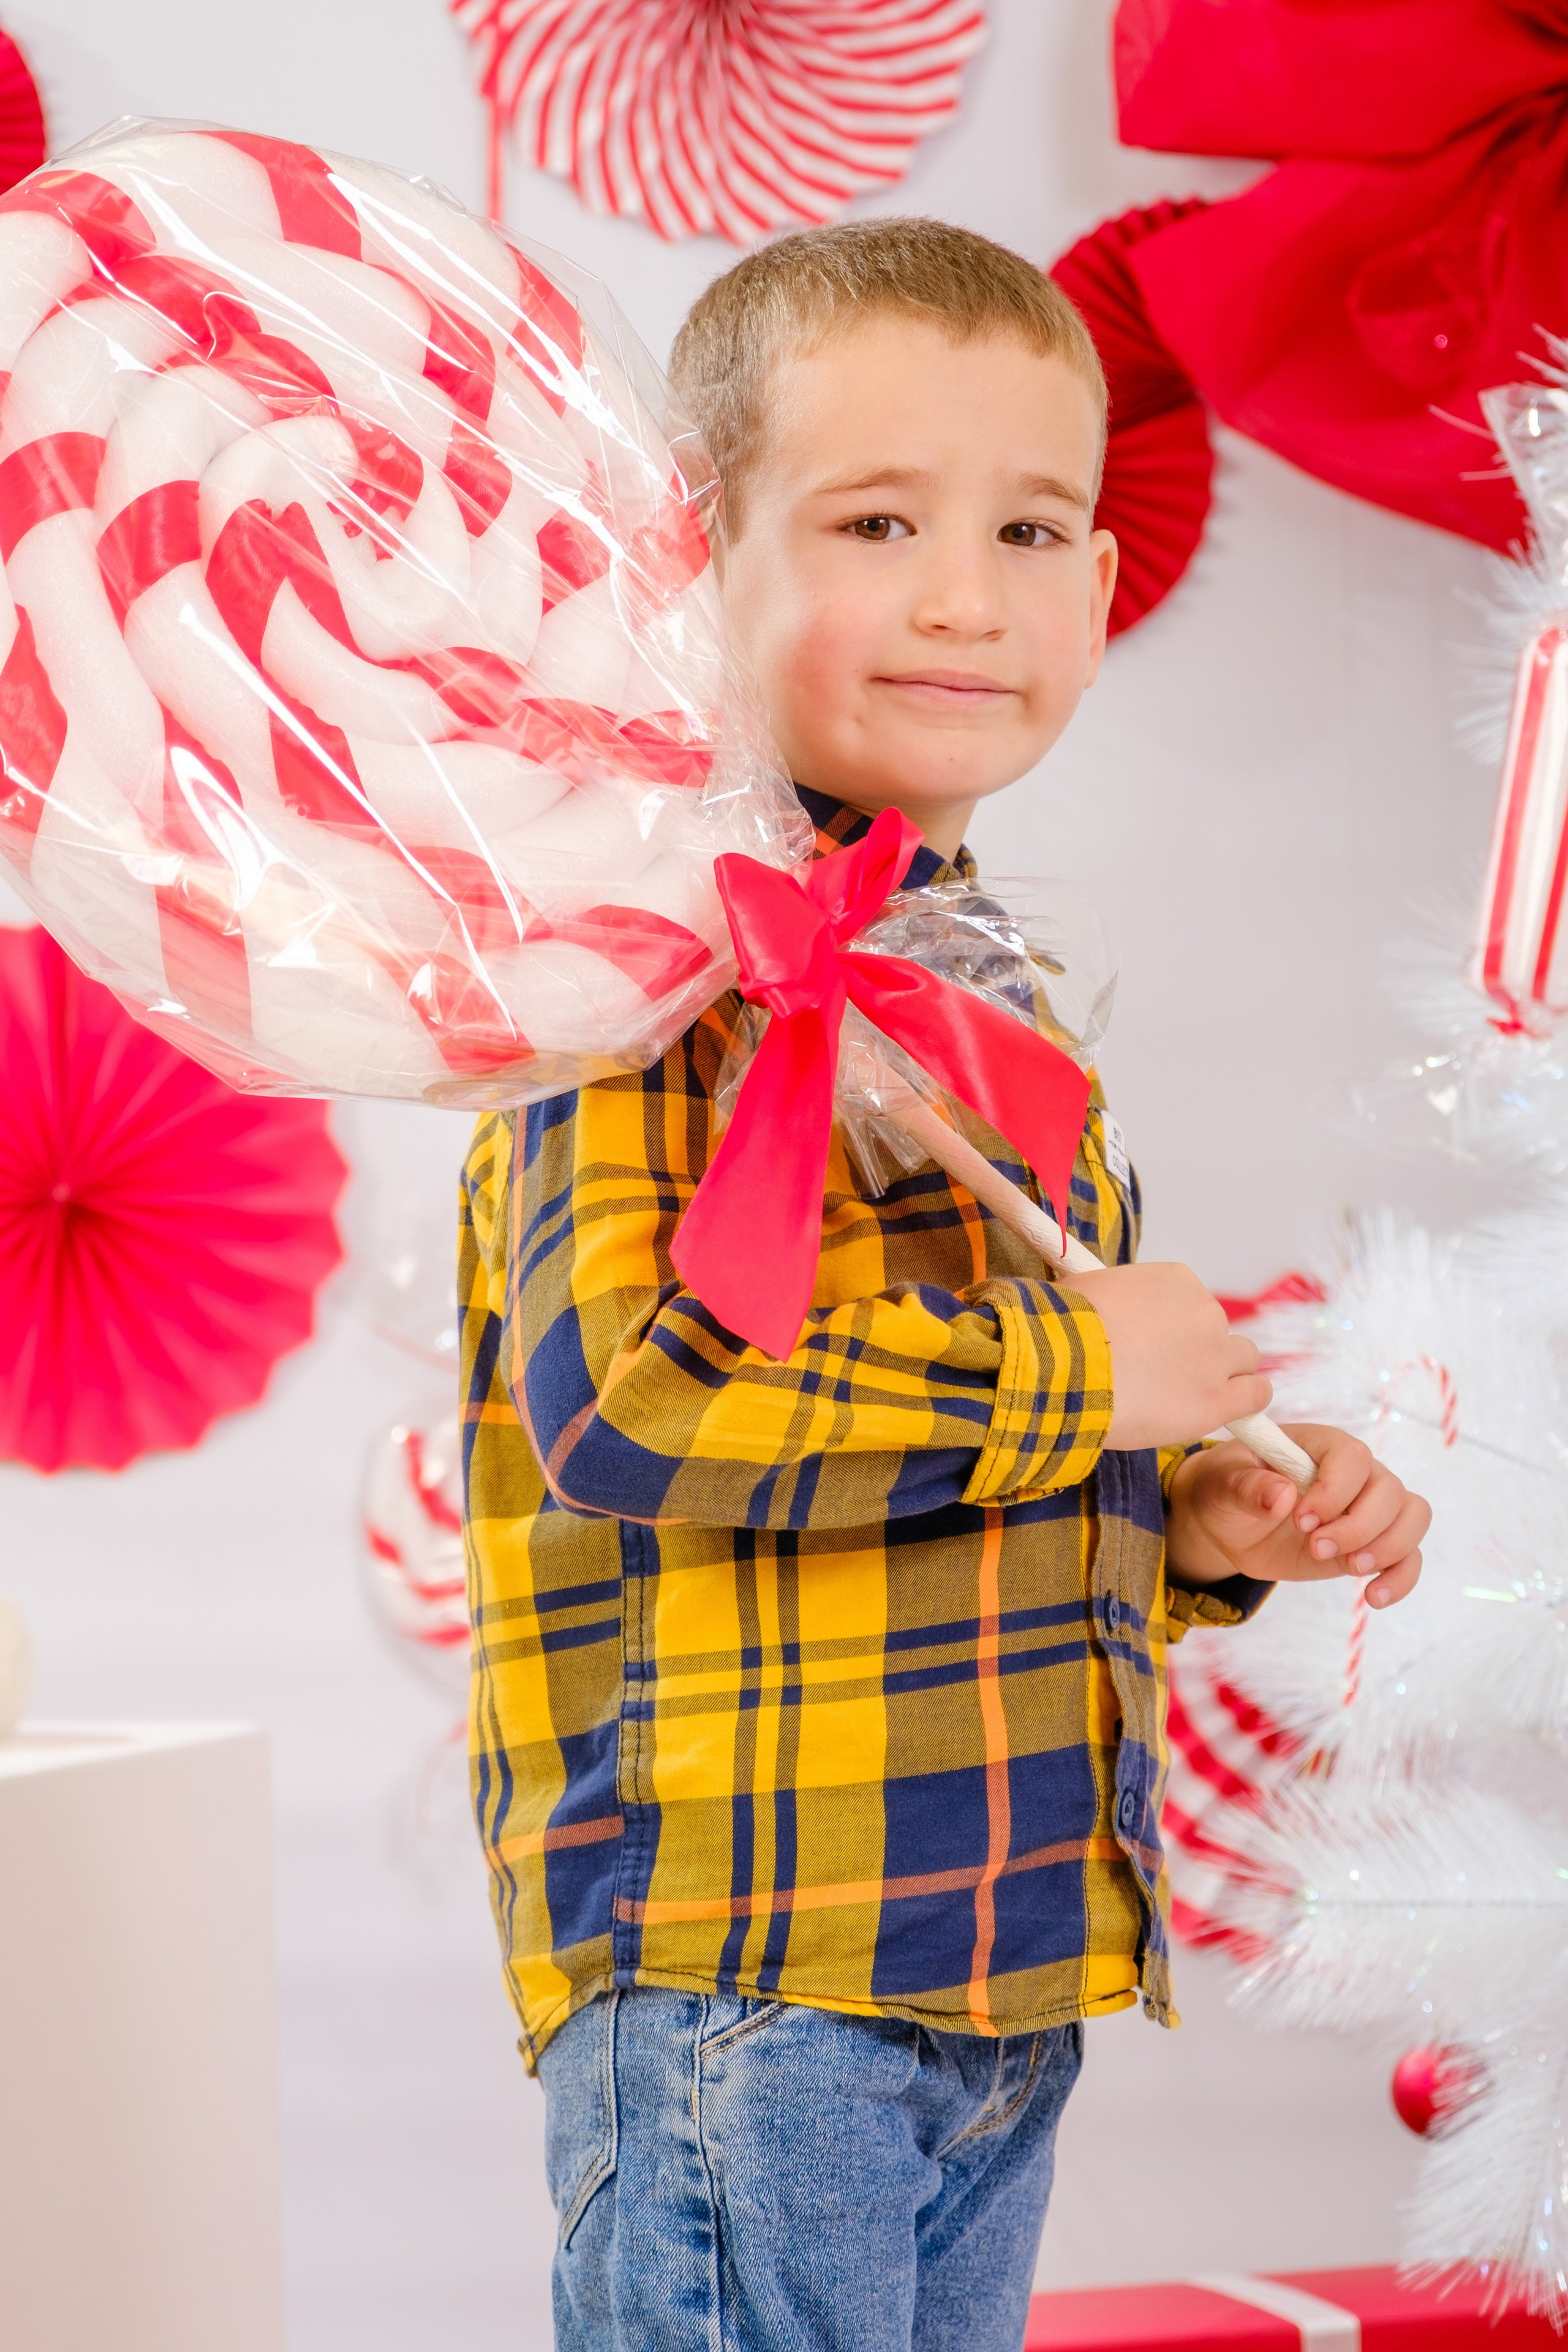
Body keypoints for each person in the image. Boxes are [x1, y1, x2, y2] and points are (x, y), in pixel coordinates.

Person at [458, 218, 1430, 2352]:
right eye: (877, 519)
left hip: (992, 1953)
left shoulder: (973, 997)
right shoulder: (645, 982)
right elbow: (635, 1400)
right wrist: (1083, 1364)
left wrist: (1181, 1519)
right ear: (690, 557)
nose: (966, 596)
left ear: (1102, 589)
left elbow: (933, 1460)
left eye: (1030, 528)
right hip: (754, 1962)